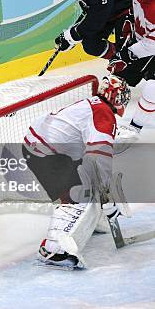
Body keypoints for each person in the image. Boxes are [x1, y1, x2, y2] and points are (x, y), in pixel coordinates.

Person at [23, 76, 130, 268]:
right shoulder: (104, 113)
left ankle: (90, 221)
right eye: (121, 97)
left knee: (87, 187)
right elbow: (99, 158)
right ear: (115, 97)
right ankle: (53, 251)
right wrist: (107, 196)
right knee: (74, 198)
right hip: (46, 152)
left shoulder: (96, 105)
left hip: (43, 146)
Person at [107, 0, 155, 150]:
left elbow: (152, 45)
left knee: (152, 89)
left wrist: (128, 53)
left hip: (151, 46)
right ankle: (101, 123)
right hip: (141, 41)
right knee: (115, 80)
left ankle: (133, 130)